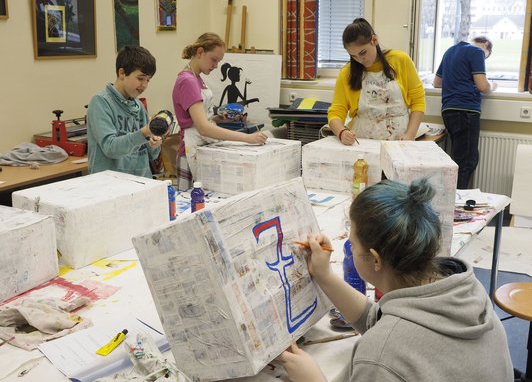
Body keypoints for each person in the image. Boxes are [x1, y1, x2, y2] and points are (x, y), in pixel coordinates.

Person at [278, 178, 513, 381]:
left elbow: (391, 339)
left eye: (353, 244)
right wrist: (324, 274)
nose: (349, 249)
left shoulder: (382, 354)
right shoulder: (466, 291)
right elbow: (380, 320)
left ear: (375, 259)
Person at [172, 32, 267, 190]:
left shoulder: (197, 78)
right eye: (214, 60)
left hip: (201, 145)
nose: (216, 66)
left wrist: (217, 119)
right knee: (191, 203)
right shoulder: (187, 81)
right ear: (200, 52)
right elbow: (203, 128)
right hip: (190, 152)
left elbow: (199, 120)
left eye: (218, 61)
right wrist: (247, 138)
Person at [328, 18, 425, 144]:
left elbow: (418, 101)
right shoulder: (347, 73)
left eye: (363, 52)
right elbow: (335, 113)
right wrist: (341, 132)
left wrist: (410, 135)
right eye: (353, 56)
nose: (360, 59)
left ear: (374, 40)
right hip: (362, 142)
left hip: (400, 141)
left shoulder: (400, 60)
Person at [87, 46, 162, 178]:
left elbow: (151, 155)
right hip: (110, 185)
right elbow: (110, 148)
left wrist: (154, 143)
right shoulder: (101, 102)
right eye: (140, 78)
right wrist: (144, 132)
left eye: (148, 80)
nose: (144, 85)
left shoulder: (139, 106)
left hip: (141, 181)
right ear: (122, 73)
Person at [433, 36, 497, 189]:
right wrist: (492, 86)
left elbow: (437, 83)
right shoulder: (477, 51)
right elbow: (482, 86)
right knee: (467, 161)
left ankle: (454, 197)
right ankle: (458, 201)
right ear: (486, 46)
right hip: (466, 110)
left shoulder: (450, 51)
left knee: (458, 158)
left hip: (448, 110)